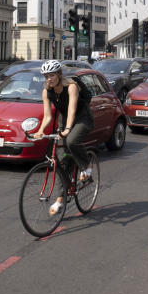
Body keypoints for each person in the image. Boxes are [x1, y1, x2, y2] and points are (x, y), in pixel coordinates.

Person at [32, 60, 94, 215]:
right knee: (60, 160)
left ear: (59, 74)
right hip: (64, 119)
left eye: (52, 75)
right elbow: (47, 116)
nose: (49, 79)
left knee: (72, 141)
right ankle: (60, 200)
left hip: (82, 118)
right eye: (46, 76)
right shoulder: (47, 91)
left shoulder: (71, 86)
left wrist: (67, 129)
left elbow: (72, 109)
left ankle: (87, 166)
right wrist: (40, 131)